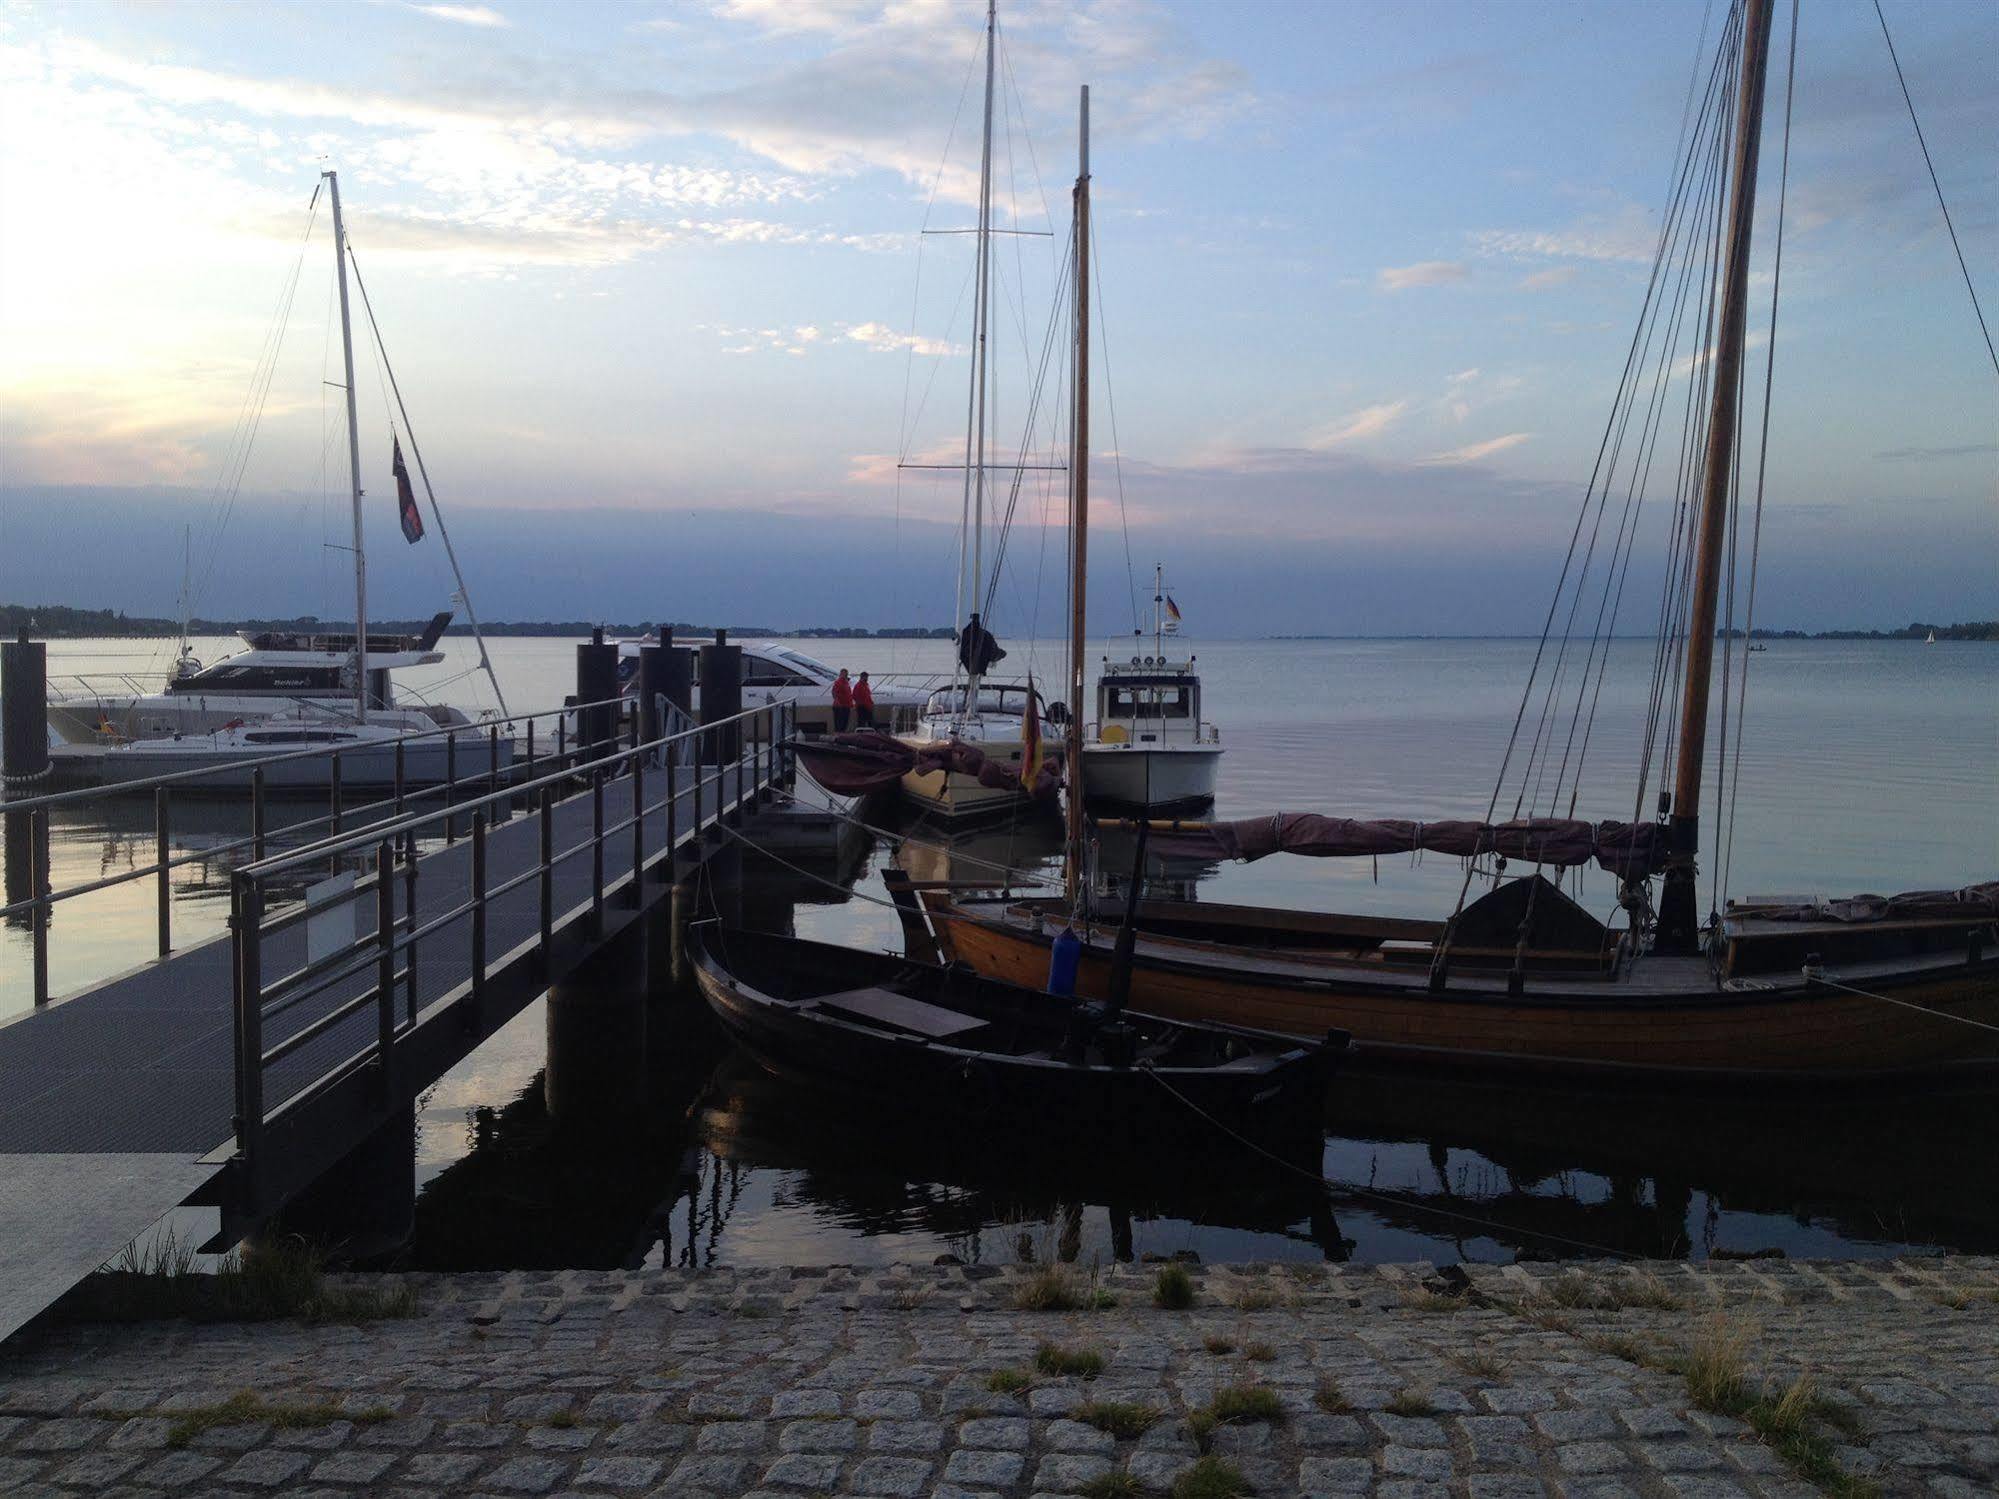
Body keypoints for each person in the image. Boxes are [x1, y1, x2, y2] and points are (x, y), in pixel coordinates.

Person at [831, 667, 853, 732]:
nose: (845, 675)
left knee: (844, 723)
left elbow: (848, 693)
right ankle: (838, 736)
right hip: (840, 706)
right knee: (839, 724)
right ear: (840, 674)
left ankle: (842, 735)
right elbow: (834, 692)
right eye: (844, 674)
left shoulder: (846, 683)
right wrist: (838, 702)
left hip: (846, 706)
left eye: (846, 674)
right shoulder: (838, 682)